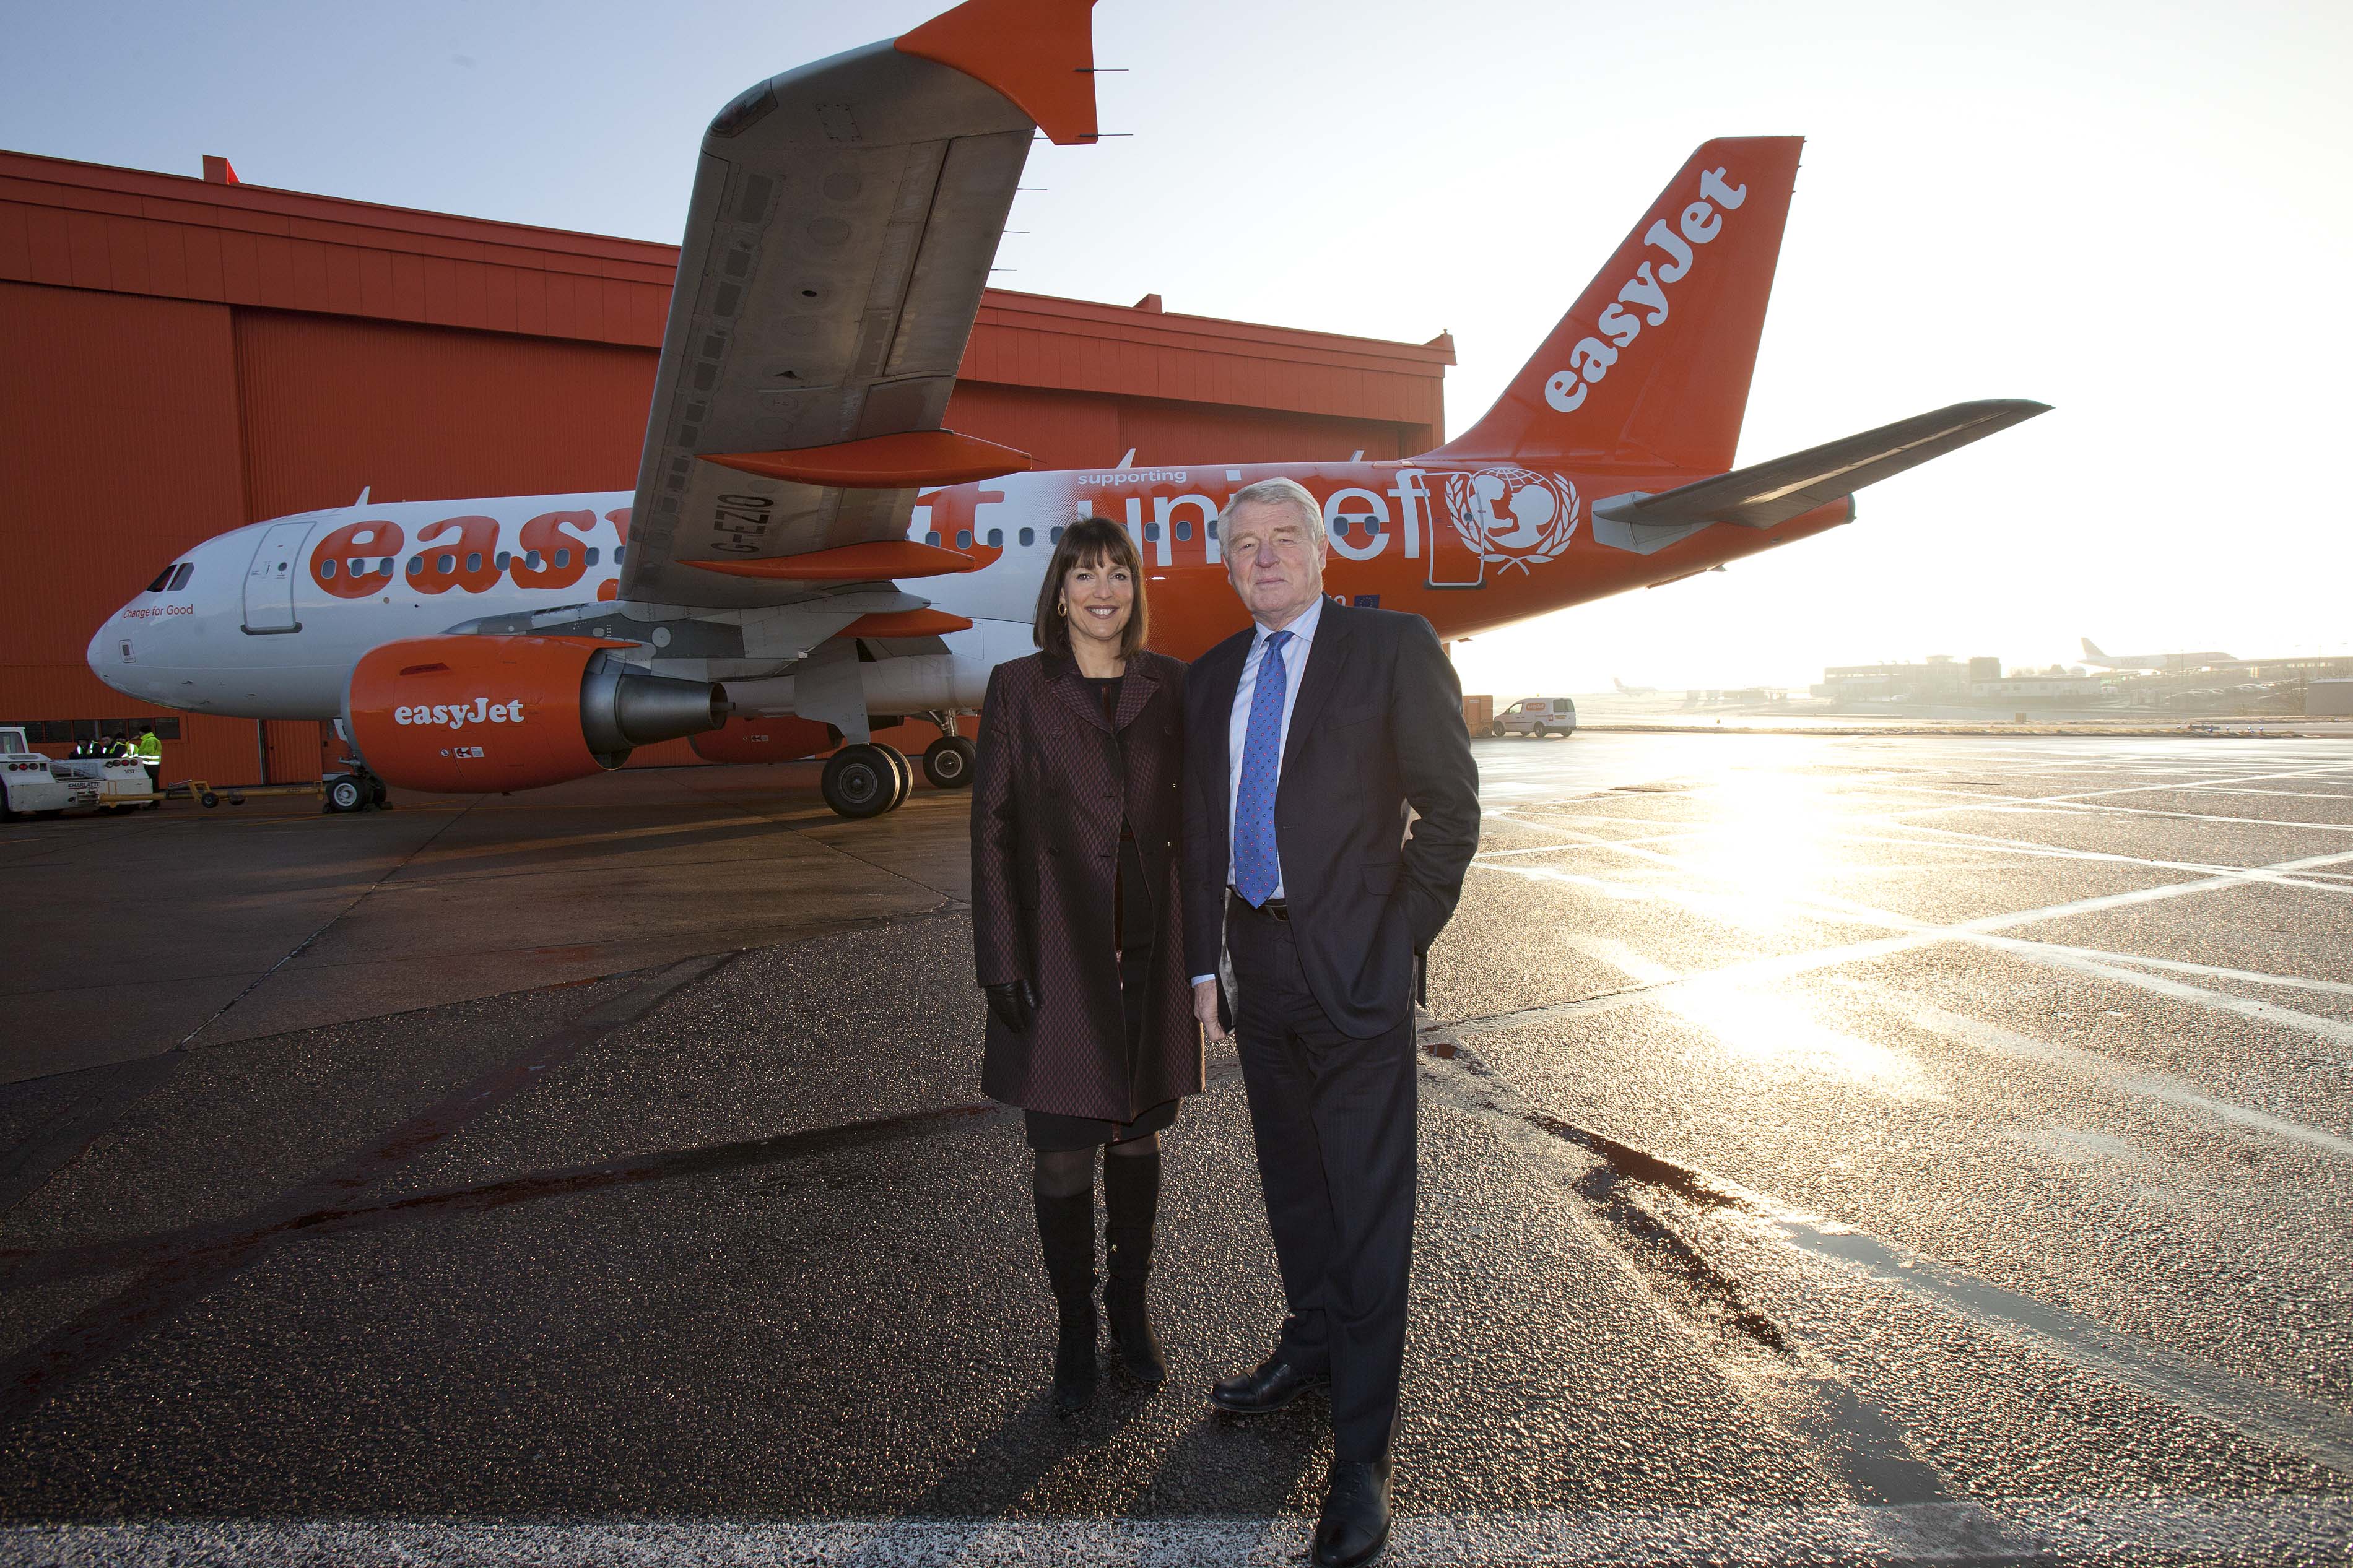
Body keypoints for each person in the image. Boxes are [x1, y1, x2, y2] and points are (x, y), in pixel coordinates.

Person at [1181, 477, 1479, 1568]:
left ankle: (1362, 1451)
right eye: (1243, 544)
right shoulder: (1214, 674)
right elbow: (1198, 830)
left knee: (1366, 1209)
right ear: (1227, 564)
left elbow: (1451, 809)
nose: (1263, 557)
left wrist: (1397, 939)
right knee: (1297, 1187)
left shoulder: (1391, 647)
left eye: (1282, 538)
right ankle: (1309, 1344)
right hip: (1257, 967)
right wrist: (1201, 965)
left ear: (1320, 550)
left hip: (1355, 971)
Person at [970, 514, 1201, 1414]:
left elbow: (1203, 813)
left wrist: (1208, 954)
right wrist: (999, 957)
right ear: (1059, 594)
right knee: (1062, 1152)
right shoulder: (1019, 688)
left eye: (1118, 573)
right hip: (1059, 951)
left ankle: (1130, 1311)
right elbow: (992, 828)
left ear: (1135, 591)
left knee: (1137, 1137)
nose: (1103, 590)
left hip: (1150, 953)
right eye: (1084, 574)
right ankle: (1074, 1321)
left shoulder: (1169, 685)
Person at [133, 723, 162, 792]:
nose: (139, 733)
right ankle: (155, 797)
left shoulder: (149, 740)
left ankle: (155, 797)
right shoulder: (151, 739)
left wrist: (138, 759)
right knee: (153, 782)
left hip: (149, 765)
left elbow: (148, 754)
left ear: (143, 732)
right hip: (153, 765)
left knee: (152, 782)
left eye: (140, 732)